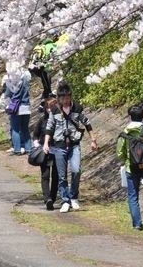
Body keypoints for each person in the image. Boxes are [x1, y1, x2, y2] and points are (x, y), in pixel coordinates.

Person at [43, 81, 98, 212]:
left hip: (74, 144)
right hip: (59, 145)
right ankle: (65, 200)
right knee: (62, 175)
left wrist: (93, 140)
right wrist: (46, 143)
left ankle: (73, 196)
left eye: (67, 97)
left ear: (70, 97)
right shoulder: (55, 109)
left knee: (76, 170)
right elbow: (49, 127)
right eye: (62, 98)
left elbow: (87, 124)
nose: (65, 100)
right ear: (59, 98)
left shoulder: (77, 108)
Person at [33, 95, 59, 210]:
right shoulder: (42, 120)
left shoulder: (60, 120)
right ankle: (47, 198)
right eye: (48, 107)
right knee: (45, 175)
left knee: (56, 176)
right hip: (45, 151)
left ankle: (52, 198)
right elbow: (35, 134)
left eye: (52, 107)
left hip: (57, 150)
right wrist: (37, 144)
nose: (50, 109)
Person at [2, 67, 32, 155]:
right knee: (25, 129)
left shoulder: (12, 80)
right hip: (26, 107)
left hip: (16, 108)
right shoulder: (25, 79)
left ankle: (17, 149)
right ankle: (29, 149)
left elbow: (7, 94)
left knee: (15, 129)